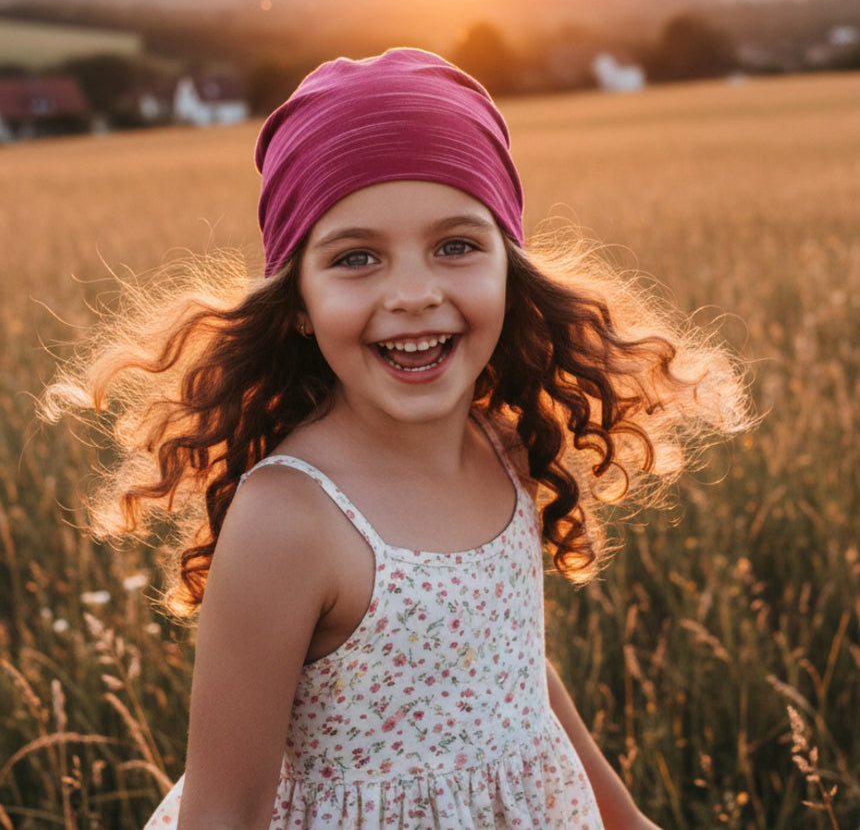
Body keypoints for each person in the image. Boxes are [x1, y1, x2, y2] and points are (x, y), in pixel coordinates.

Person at [43, 48, 750, 830]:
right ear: (299, 303)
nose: (413, 294)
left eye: (456, 244)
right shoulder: (290, 521)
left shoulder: (503, 446)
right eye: (355, 258)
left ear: (510, 270)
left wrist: (627, 821)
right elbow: (222, 811)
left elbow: (513, 677)